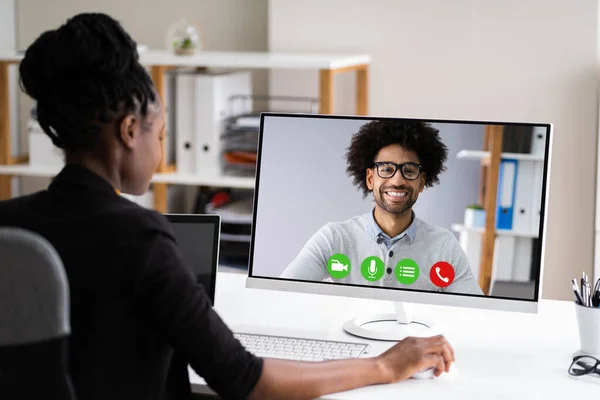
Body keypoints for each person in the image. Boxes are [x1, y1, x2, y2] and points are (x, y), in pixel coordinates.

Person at [0, 13, 455, 400]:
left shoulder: (9, 226)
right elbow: (245, 380)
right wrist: (384, 366)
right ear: (129, 130)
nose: (162, 152)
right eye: (160, 136)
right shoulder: (141, 238)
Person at [281, 120, 484, 295]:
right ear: (370, 178)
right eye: (386, 169)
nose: (397, 180)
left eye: (409, 171)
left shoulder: (444, 246)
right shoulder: (334, 238)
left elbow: (475, 313)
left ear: (421, 182)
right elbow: (283, 293)